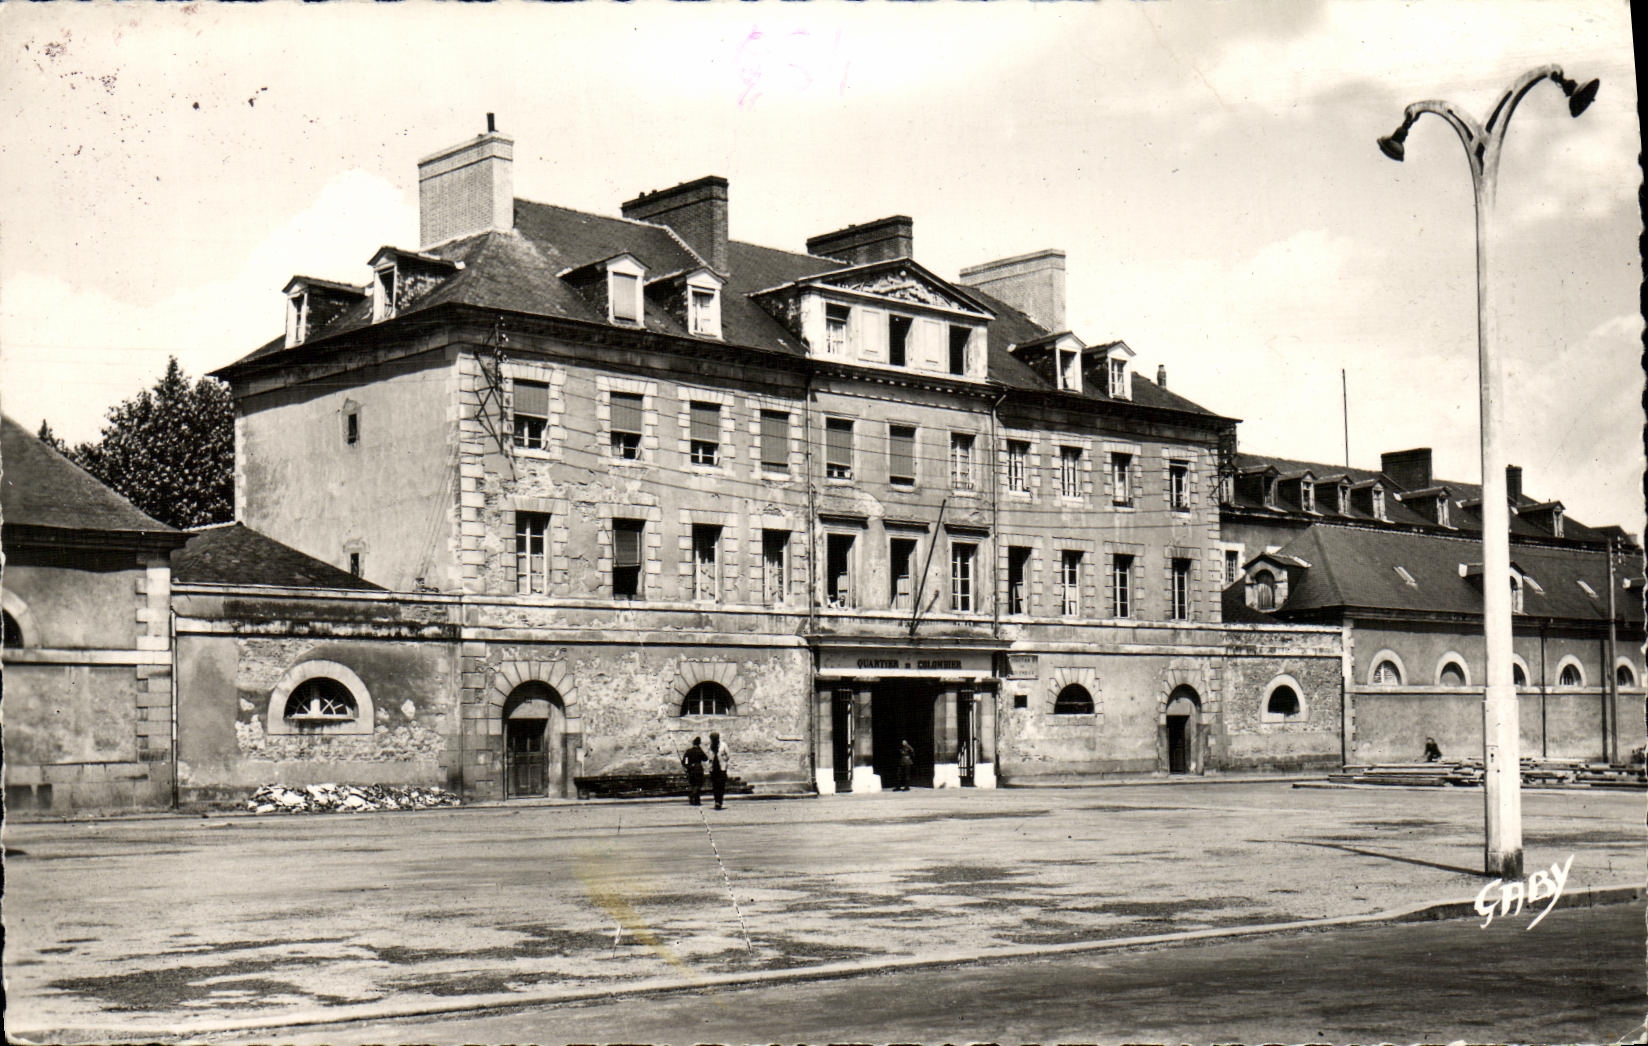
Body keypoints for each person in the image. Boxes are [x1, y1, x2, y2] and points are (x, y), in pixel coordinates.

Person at [707, 731, 731, 809]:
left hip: (721, 768)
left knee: (721, 786)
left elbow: (728, 755)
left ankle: (720, 801)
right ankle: (716, 801)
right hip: (713, 769)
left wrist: (723, 759)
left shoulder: (723, 745)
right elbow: (709, 757)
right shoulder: (710, 746)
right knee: (715, 786)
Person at [681, 736, 707, 806]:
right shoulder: (699, 751)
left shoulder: (688, 751)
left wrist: (687, 767)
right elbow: (705, 758)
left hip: (691, 769)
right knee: (698, 784)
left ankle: (696, 799)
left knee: (693, 784)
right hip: (698, 768)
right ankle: (693, 796)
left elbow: (685, 761)